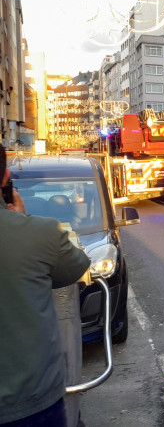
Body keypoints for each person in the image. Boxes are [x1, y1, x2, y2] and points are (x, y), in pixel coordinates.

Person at [0, 144, 91, 426]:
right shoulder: (39, 233)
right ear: (5, 178)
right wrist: (21, 220)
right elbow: (75, 268)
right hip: (27, 402)